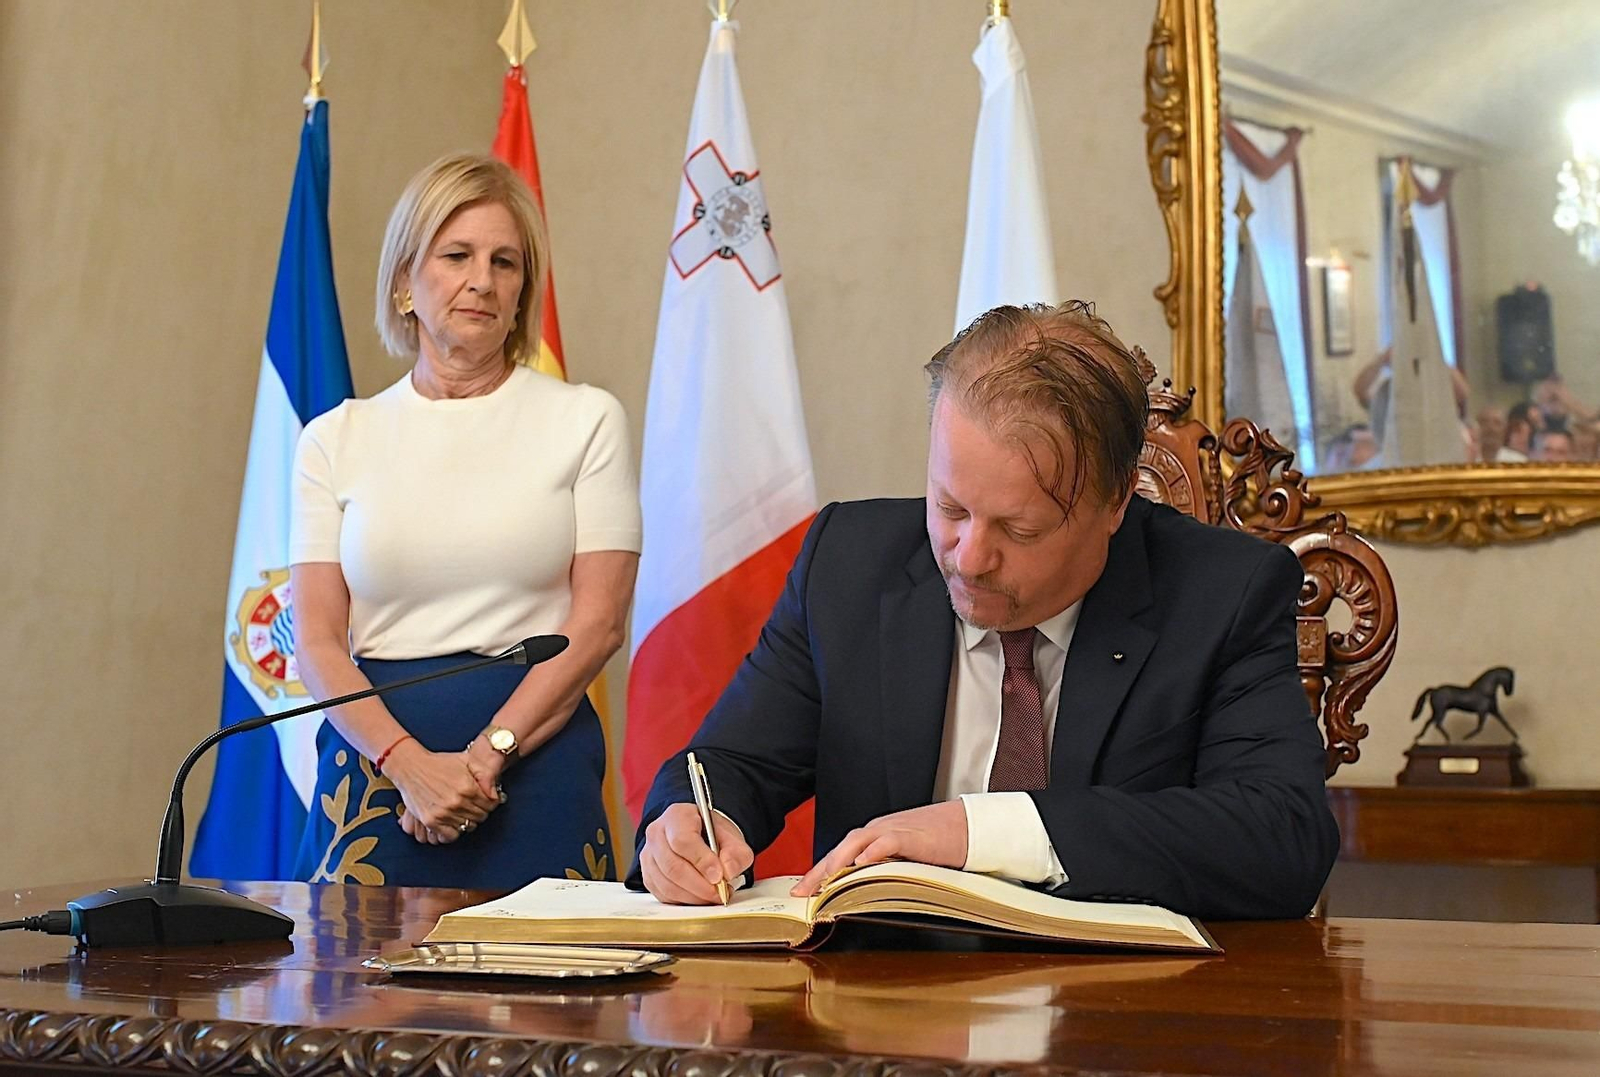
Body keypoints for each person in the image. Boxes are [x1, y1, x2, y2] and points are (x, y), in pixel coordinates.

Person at [632, 301, 1337, 921]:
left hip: (1120, 1026)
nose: (968, 558)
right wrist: (693, 822)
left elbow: (1281, 835)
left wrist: (985, 831)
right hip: (879, 1014)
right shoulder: (848, 564)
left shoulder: (1221, 592)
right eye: (951, 508)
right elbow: (729, 761)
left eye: (1019, 529)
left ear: (1117, 502)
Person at [290, 154, 641, 888]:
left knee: (550, 1001)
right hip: (375, 772)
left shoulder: (585, 420)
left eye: (504, 262)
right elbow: (318, 641)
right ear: (404, 282)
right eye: (457, 255)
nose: (482, 279)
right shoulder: (333, 437)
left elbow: (599, 623)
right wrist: (409, 765)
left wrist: (486, 757)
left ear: (522, 291)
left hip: (535, 765)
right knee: (356, 997)